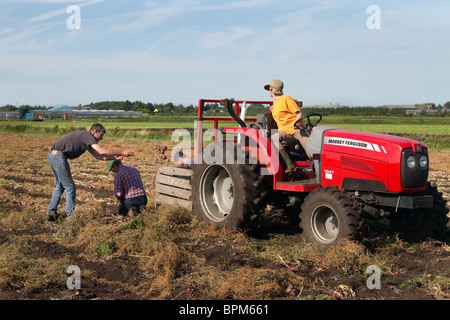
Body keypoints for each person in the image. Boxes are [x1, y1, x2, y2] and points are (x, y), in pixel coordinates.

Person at [46, 123, 134, 221]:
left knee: (60, 185)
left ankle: (51, 212)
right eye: (101, 135)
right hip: (58, 156)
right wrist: (121, 152)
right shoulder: (87, 136)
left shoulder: (86, 140)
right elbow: (100, 151)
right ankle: (71, 217)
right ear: (95, 131)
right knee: (70, 187)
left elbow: (99, 156)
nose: (101, 138)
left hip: (52, 155)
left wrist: (114, 157)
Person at [264, 79, 311, 173]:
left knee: (309, 149)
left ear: (273, 90)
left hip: (296, 129)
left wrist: (297, 122)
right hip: (284, 131)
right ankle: (289, 164)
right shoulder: (275, 103)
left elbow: (298, 112)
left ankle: (313, 163)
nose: (269, 91)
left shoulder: (287, 98)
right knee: (274, 138)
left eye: (269, 89)